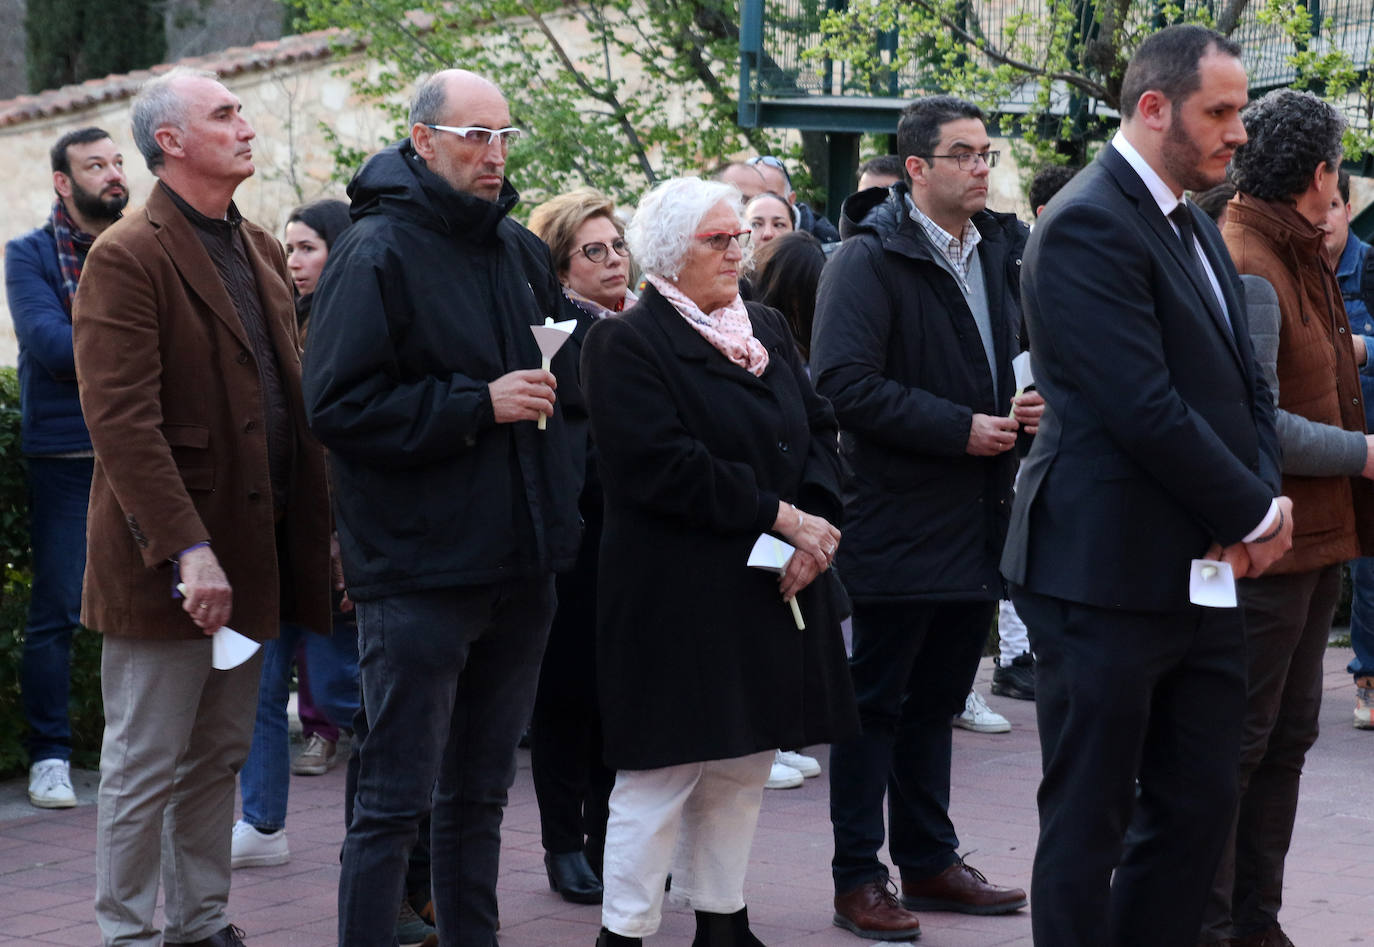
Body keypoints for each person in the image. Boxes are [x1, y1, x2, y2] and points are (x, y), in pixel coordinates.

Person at [1001, 25, 1294, 947]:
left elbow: (1246, 389)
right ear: (1154, 107)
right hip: (1101, 574)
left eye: (1241, 111)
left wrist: (1263, 505)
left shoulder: (1191, 219)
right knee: (1090, 817)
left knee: (1200, 802)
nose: (1239, 132)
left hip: (1202, 569)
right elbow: (1141, 405)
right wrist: (1250, 508)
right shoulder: (1088, 218)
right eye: (1221, 111)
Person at [301, 69, 581, 947]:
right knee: (393, 802)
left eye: (505, 135)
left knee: (482, 795)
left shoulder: (516, 249)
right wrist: (475, 404)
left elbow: (547, 392)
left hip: (520, 561)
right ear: (422, 139)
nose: (494, 154)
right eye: (474, 135)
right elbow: (337, 406)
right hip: (420, 569)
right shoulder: (374, 249)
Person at [73, 67, 332, 947]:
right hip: (170, 566)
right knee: (145, 761)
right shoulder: (127, 254)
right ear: (170, 141)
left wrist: (322, 533)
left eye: (241, 110)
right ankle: (128, 932)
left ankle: (201, 921)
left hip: (251, 550)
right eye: (224, 114)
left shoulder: (257, 244)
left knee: (219, 753)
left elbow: (292, 403)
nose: (245, 125)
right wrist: (188, 549)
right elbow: (122, 422)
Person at [581, 176, 858, 946]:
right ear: (671, 253)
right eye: (718, 238)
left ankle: (722, 919)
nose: (738, 249)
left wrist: (819, 527)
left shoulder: (763, 323)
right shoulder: (625, 341)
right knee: (659, 772)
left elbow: (818, 429)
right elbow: (659, 465)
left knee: (743, 762)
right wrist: (783, 517)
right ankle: (625, 929)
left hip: (768, 584)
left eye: (739, 236)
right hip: (673, 593)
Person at [812, 94, 1034, 942]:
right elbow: (842, 384)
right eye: (964, 154)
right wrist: (959, 426)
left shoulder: (1000, 250)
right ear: (915, 169)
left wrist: (1025, 405)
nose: (983, 166)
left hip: (978, 514)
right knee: (876, 702)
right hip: (897, 518)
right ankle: (856, 875)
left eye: (987, 152)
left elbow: (1006, 361)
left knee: (940, 696)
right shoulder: (866, 261)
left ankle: (931, 859)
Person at [1199, 89, 1373, 947]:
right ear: (1318, 173)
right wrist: (1366, 453)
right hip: (1267, 546)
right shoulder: (1248, 257)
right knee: (1241, 743)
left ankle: (1256, 923)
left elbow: (1315, 366)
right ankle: (1217, 925)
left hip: (1311, 543)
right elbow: (1256, 420)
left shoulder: (1292, 245)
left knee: (1286, 739)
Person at [229, 198, 361, 870]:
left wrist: (340, 538)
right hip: (277, 535)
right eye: (288, 246)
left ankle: (392, 832)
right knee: (260, 679)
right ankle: (262, 820)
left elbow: (339, 443)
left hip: (338, 538)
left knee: (350, 692)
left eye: (307, 246)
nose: (294, 260)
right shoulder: (281, 321)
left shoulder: (352, 325)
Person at [5, 126, 128, 810]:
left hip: (139, 451)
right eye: (95, 165)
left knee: (146, 610)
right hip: (65, 455)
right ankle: (50, 754)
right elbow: (51, 347)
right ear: (63, 181)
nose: (113, 174)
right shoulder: (27, 255)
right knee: (57, 609)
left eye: (117, 162)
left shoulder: (144, 244)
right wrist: (132, 334)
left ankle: (131, 750)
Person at [524, 186, 634, 905]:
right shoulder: (553, 334)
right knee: (567, 701)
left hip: (640, 547)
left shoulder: (649, 328)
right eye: (594, 251)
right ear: (562, 268)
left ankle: (609, 839)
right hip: (577, 543)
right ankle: (565, 844)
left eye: (618, 245)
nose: (614, 261)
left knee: (622, 701)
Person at [986, 163, 1082, 707]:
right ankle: (1014, 656)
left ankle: (1027, 652)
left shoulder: (1049, 258)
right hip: (1014, 430)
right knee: (1016, 536)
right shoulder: (1020, 259)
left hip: (1046, 424)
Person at [1328, 169, 1374, 728]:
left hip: (1367, 445)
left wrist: (1365, 347)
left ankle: (1367, 680)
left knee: (1370, 569)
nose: (1324, 220)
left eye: (1336, 206)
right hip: (1312, 440)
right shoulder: (1296, 269)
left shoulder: (1370, 267)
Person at [748, 154, 842, 245]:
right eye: (748, 198)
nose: (757, 204)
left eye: (769, 196)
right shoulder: (735, 238)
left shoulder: (826, 243)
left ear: (790, 200)